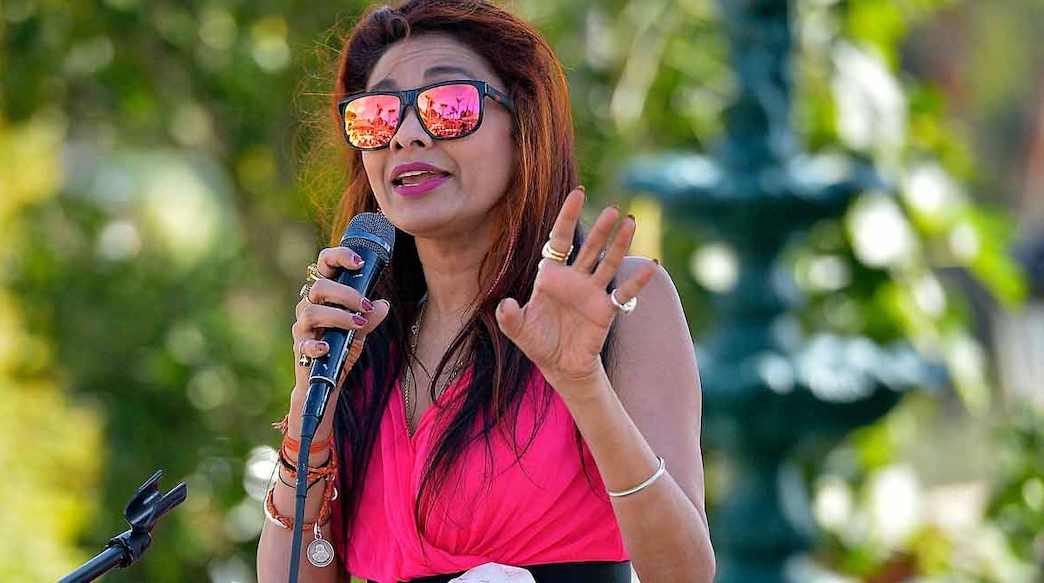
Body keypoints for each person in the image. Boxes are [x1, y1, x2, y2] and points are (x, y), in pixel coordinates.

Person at [257, 1, 714, 581]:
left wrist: (582, 386)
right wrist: (309, 408)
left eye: (447, 106)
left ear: (522, 126)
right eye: (377, 115)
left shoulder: (615, 300)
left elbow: (686, 573)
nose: (406, 135)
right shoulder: (364, 331)